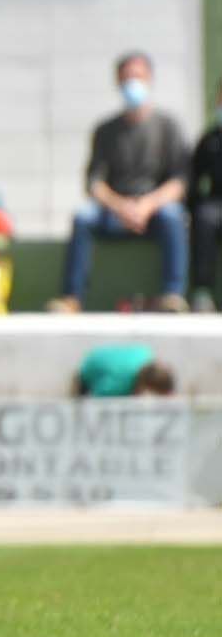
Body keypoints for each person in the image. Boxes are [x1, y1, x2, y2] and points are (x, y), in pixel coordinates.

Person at [48, 52, 189, 314]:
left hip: (154, 212)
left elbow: (179, 181)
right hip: (115, 212)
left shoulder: (168, 126)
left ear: (150, 79)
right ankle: (71, 297)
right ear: (118, 82)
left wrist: (147, 205)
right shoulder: (105, 130)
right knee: (82, 218)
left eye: (138, 76)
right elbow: (94, 183)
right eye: (126, 78)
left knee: (174, 216)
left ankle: (172, 294)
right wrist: (120, 206)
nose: (132, 83)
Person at [186, 80, 222, 312]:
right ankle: (202, 292)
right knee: (204, 217)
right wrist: (194, 207)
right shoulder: (209, 140)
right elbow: (193, 180)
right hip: (216, 203)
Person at [74, 344, 175, 397]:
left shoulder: (146, 353)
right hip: (87, 374)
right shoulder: (118, 384)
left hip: (97, 356)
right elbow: (98, 396)